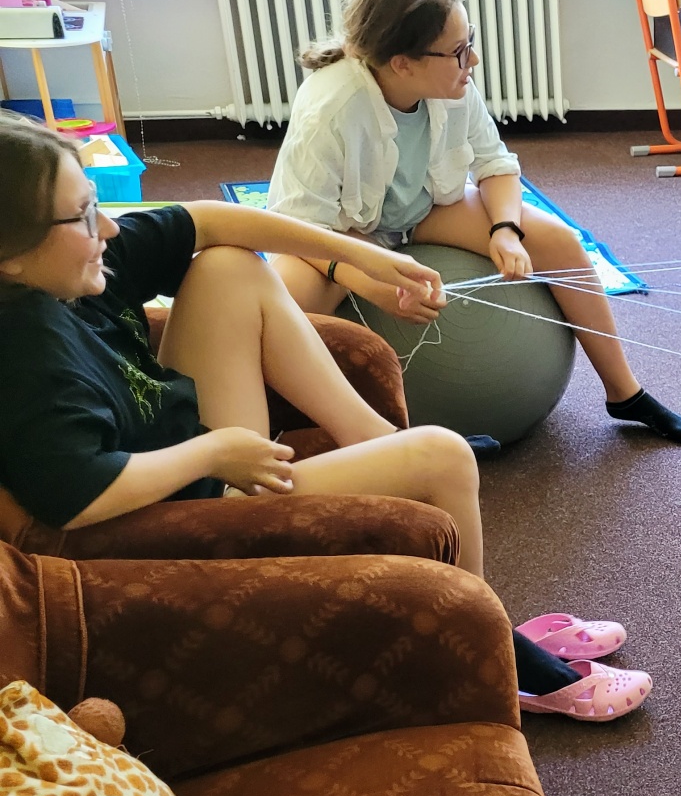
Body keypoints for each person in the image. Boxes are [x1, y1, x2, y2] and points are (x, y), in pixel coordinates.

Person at [0, 117, 647, 721]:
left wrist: (357, 256)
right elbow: (78, 498)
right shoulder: (27, 357)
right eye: (82, 216)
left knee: (227, 266)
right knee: (446, 456)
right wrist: (213, 454)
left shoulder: (64, 273)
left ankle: (378, 443)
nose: (108, 229)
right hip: (187, 508)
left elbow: (209, 221)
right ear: (10, 255)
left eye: (97, 204)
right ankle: (490, 653)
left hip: (194, 448)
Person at [266, 0, 681, 446]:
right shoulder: (331, 107)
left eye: (469, 41)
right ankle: (355, 433)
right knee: (279, 309)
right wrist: (375, 283)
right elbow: (295, 228)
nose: (473, 59)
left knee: (557, 240)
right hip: (336, 234)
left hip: (423, 210)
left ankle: (624, 393)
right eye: (458, 51)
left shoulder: (452, 84)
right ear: (403, 63)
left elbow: (496, 164)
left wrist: (505, 229)